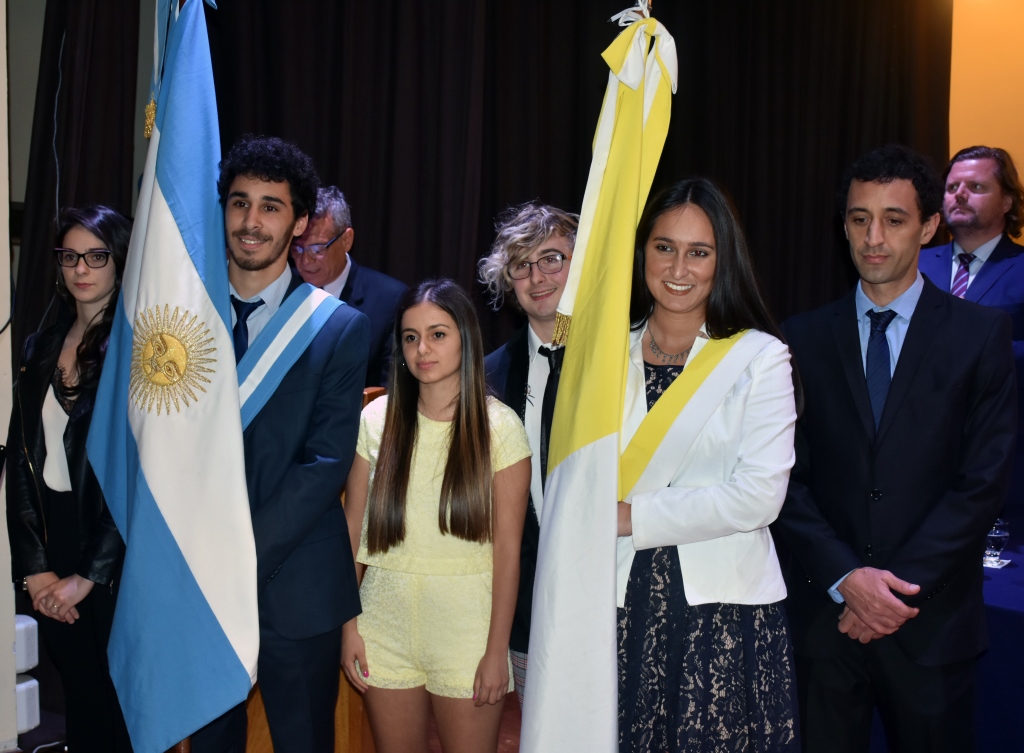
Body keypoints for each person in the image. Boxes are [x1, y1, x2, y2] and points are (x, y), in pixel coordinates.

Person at [775, 145, 1016, 753]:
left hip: (931, 627)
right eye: (859, 219)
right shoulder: (799, 337)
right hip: (826, 625)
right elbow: (784, 478)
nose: (873, 237)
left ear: (929, 226)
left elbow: (982, 482)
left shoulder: (980, 335)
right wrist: (846, 579)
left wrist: (888, 592)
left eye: (894, 218)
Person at [190, 136, 370, 753]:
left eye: (271, 206)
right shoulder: (182, 322)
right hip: (198, 582)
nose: (251, 220)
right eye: (240, 203)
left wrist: (237, 558)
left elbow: (324, 465)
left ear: (298, 222)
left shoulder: (337, 328)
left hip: (294, 585)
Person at [616, 178, 799, 751]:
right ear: (642, 250)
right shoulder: (605, 356)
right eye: (664, 246)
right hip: (617, 604)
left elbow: (758, 497)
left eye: (699, 252)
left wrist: (630, 518)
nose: (678, 266)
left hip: (723, 613)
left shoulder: (760, 358)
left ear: (724, 260)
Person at [341, 278, 531, 753]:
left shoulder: (501, 427)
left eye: (438, 334)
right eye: (410, 337)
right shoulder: (375, 419)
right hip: (382, 626)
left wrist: (495, 652)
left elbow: (509, 553)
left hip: (468, 631)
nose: (422, 349)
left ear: (465, 338)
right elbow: (352, 530)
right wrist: (348, 628)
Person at [6, 205, 133, 751]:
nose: (81, 268)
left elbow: (135, 476)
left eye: (96, 256)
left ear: (120, 261)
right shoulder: (39, 347)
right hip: (55, 535)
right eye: (70, 256)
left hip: (114, 546)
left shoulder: (142, 353)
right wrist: (34, 570)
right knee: (78, 694)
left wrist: (88, 574)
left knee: (118, 701)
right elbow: (19, 462)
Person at [479, 200, 578, 707]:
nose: (537, 276)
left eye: (552, 259)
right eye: (522, 264)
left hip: (610, 598)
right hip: (525, 608)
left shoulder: (625, 359)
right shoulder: (488, 377)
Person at [918, 145, 1024, 519]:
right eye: (952, 188)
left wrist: (973, 351)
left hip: (1001, 465)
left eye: (976, 187)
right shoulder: (912, 265)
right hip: (916, 464)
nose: (959, 195)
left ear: (1008, 201)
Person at [291, 185, 408, 387]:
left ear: (346, 240)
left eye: (317, 249)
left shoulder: (390, 300)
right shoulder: (283, 290)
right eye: (297, 249)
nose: (305, 262)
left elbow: (391, 392)